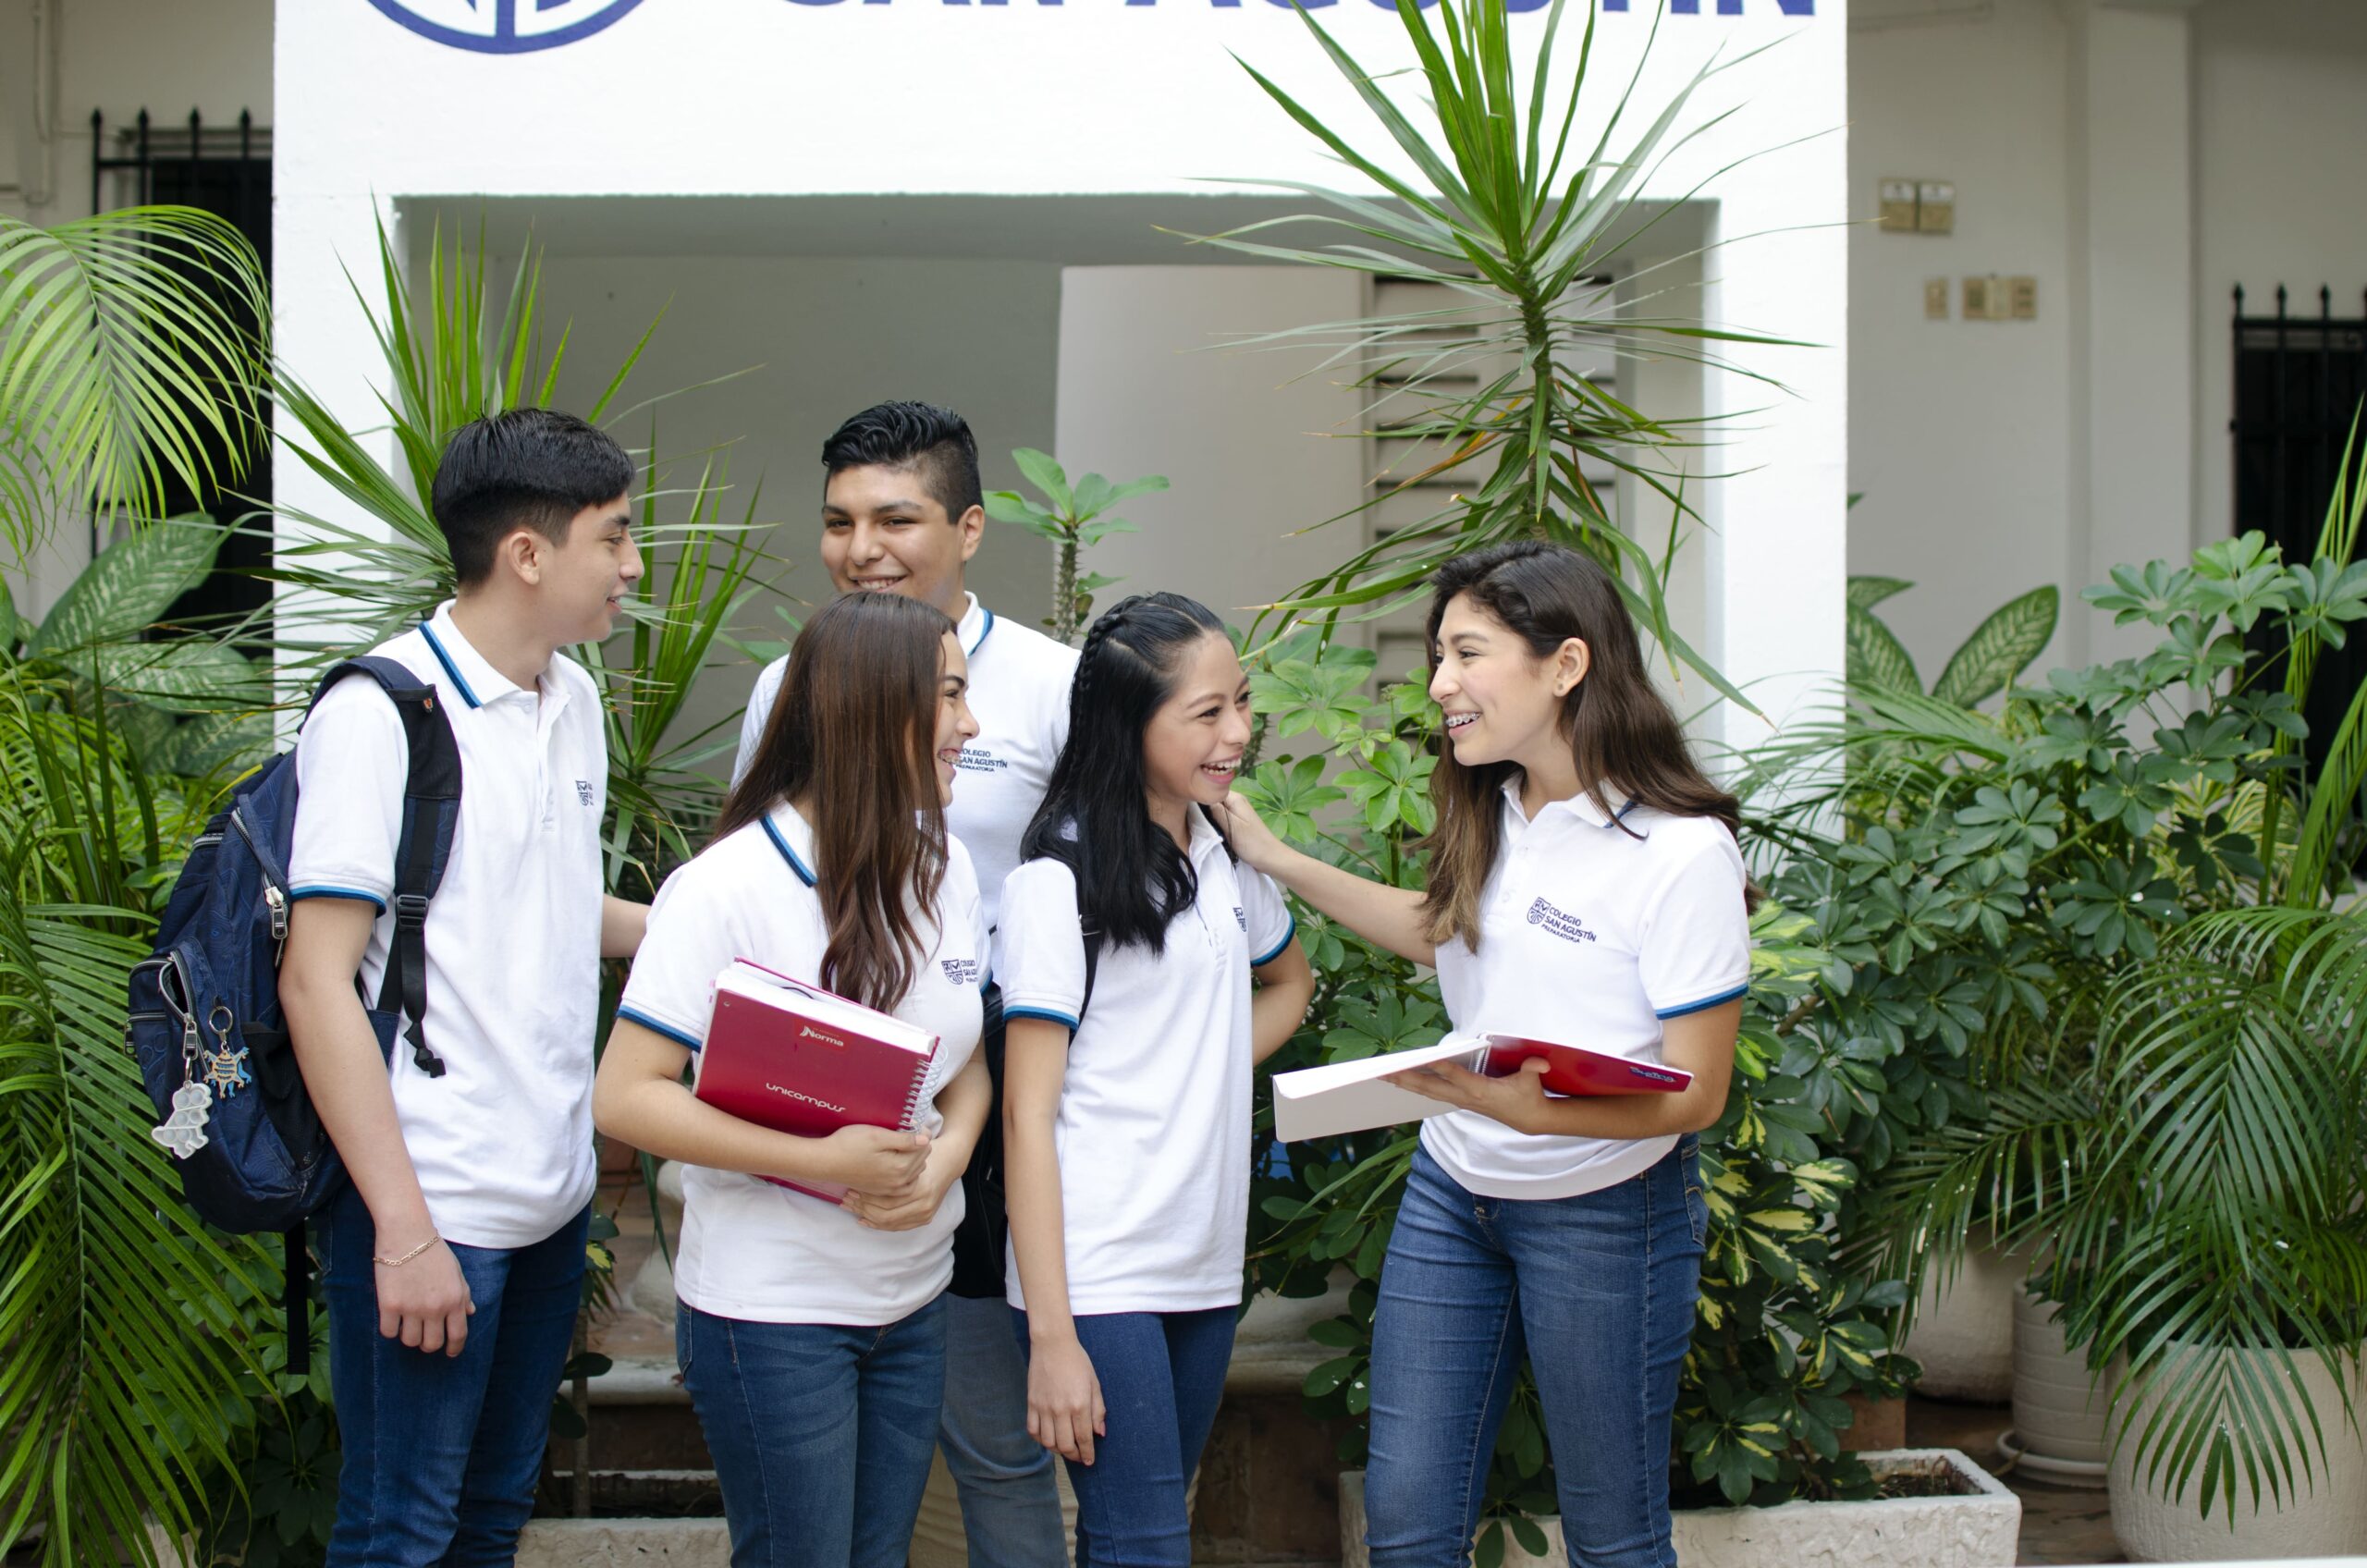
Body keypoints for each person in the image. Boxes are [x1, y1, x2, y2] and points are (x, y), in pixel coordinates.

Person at [1219, 541, 1748, 1568]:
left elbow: (1698, 1094)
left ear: (1566, 665)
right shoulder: (1494, 800)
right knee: (1409, 1526)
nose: (1438, 684)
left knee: (1614, 1539)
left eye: (1466, 654)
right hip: (1455, 1190)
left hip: (1608, 1210)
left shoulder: (1681, 851)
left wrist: (1534, 1113)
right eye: (1437, 655)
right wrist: (1276, 857)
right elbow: (1442, 928)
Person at [281, 407, 652, 1567]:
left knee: (490, 1521)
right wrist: (400, 1227)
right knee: (401, 1530)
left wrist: (738, 940)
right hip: (432, 1201)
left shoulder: (570, 698)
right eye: (616, 537)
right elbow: (315, 980)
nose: (634, 567)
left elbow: (541, 905)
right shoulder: (381, 712)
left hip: (548, 1199)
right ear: (528, 553)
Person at [734, 400, 1076, 1565]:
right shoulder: (795, 679)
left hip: (985, 1074)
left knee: (993, 1432)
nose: (861, 547)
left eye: (896, 518)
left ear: (969, 527)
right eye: (837, 521)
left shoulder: (1050, 684)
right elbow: (751, 872)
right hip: (819, 1092)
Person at [595, 590, 993, 1567]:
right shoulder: (724, 888)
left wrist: (945, 1165)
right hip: (773, 1310)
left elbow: (968, 1062)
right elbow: (629, 1094)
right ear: (871, 708)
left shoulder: (947, 868)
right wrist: (821, 1157)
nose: (970, 725)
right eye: (948, 697)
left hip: (911, 1295)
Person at [998, 593, 1316, 1567]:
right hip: (1098, 1264)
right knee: (1143, 1543)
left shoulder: (1222, 849)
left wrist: (1197, 1069)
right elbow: (1025, 1111)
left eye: (1241, 704)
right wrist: (1052, 1336)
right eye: (1206, 712)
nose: (1237, 732)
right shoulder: (1057, 881)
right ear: (1127, 724)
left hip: (1202, 1256)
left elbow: (1289, 985)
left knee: (1140, 1533)